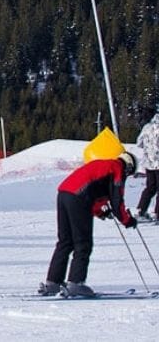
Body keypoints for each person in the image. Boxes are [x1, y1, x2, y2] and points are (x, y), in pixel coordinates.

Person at [40, 152, 139, 297]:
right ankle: (76, 283)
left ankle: (53, 282)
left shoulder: (104, 165)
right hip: (78, 197)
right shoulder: (117, 168)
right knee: (83, 243)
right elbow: (117, 200)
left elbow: (93, 189)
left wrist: (100, 212)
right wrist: (127, 220)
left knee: (65, 241)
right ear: (129, 166)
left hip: (64, 193)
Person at [136, 113, 159, 221]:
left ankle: (141, 210)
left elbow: (139, 143)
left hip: (148, 163)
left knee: (150, 187)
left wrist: (149, 148)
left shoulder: (147, 127)